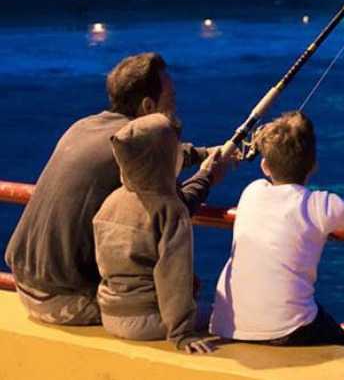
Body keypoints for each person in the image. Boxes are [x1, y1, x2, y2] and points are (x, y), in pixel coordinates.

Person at [4, 52, 229, 326]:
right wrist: (207, 177)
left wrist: (204, 154)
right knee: (183, 291)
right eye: (170, 102)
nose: (174, 109)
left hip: (23, 282)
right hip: (63, 299)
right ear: (148, 106)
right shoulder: (127, 154)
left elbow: (159, 153)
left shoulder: (84, 127)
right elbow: (171, 211)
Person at [209, 111, 344, 346]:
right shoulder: (321, 204)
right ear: (313, 165)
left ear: (265, 166)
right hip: (287, 329)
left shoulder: (252, 192)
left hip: (230, 324)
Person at [94, 113, 214, 353]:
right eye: (176, 149)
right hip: (147, 320)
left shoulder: (110, 202)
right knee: (217, 316)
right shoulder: (171, 211)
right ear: (165, 159)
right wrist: (182, 334)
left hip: (109, 314)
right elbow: (173, 277)